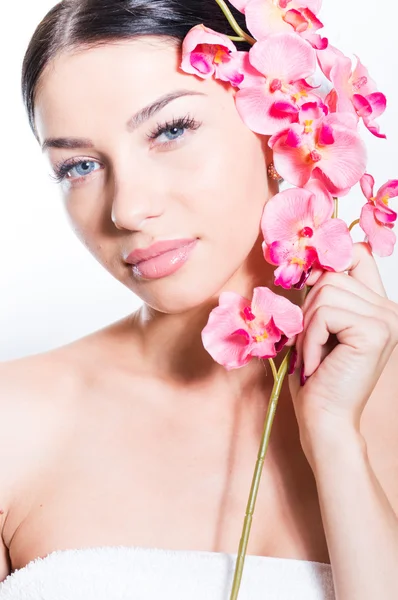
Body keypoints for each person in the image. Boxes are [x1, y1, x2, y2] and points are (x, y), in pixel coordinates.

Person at [0, 0, 397, 598]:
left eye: (171, 130)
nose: (127, 209)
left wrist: (338, 444)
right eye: (79, 165)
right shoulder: (15, 420)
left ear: (280, 123)